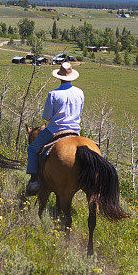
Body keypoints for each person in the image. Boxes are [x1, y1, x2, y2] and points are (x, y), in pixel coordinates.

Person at [26, 61, 83, 195]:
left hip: (55, 130)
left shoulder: (54, 94)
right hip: (75, 131)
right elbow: (80, 111)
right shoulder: (80, 92)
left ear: (59, 77)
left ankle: (34, 181)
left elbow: (47, 116)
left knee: (32, 149)